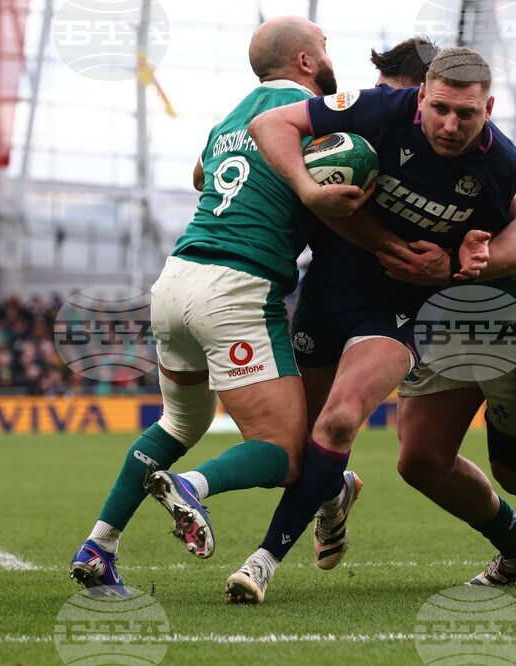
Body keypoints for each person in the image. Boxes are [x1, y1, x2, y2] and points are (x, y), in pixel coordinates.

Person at [224, 43, 516, 602]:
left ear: (486, 109)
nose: (448, 123)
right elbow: (274, 128)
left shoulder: (498, 159)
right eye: (435, 108)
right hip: (443, 318)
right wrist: (308, 190)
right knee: (419, 460)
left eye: (464, 113)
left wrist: (464, 264)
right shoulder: (377, 122)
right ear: (421, 98)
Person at [68, 16, 369, 597]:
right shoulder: (320, 114)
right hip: (236, 288)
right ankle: (193, 489)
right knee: (284, 450)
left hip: (176, 278)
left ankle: (99, 545)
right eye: (325, 47)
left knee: (181, 421)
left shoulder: (231, 117)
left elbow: (203, 173)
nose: (330, 56)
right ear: (305, 62)